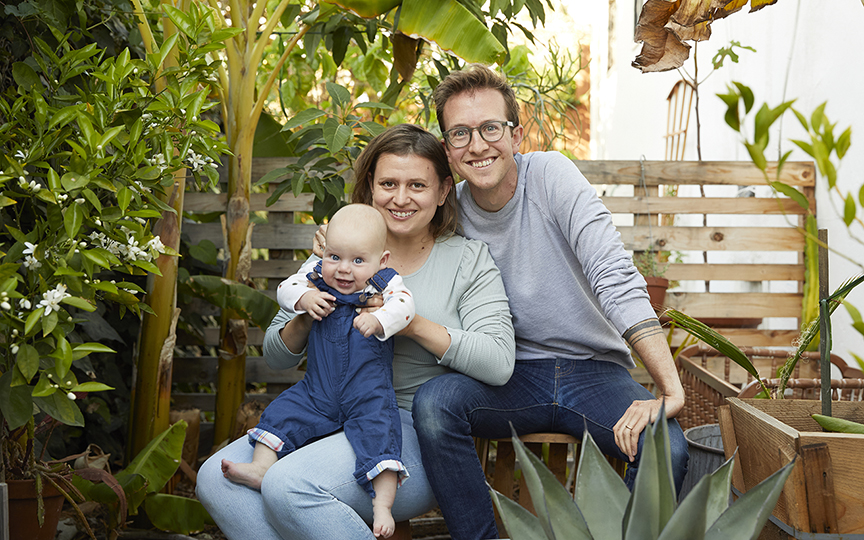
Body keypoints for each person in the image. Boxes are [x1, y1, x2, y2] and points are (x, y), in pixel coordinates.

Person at [196, 123, 516, 540]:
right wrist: (311, 310)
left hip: (407, 434)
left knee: (288, 485)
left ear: (442, 192)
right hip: (321, 413)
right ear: (370, 188)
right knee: (213, 480)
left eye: (417, 184)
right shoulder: (336, 257)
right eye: (388, 183)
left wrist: (409, 323)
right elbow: (276, 355)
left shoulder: (468, 260)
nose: (401, 198)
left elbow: (498, 363)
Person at [410, 64, 690, 539]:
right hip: (509, 377)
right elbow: (398, 237)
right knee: (435, 404)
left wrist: (670, 390)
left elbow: (614, 275)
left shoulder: (552, 176)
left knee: (669, 448)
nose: (477, 145)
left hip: (594, 372)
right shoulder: (448, 209)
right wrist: (338, 248)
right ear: (447, 150)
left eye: (490, 128)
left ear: (516, 135)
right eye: (461, 133)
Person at [220, 204, 414, 538]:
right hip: (318, 391)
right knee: (282, 412)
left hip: (367, 394)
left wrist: (380, 319)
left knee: (379, 434)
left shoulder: (383, 285)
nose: (343, 269)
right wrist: (305, 299)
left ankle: (382, 504)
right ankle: (261, 467)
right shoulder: (316, 279)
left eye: (357, 261)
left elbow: (406, 306)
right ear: (324, 251)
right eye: (335, 257)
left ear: (381, 261)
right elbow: (286, 287)